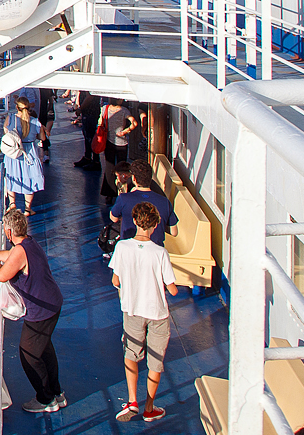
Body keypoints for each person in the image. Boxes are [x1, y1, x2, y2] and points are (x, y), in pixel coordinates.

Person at [0, 208, 65, 413]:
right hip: (51, 304)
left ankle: (46, 399)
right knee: (45, 349)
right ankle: (57, 393)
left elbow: (3, 275)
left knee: (28, 353)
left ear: (9, 232)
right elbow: (10, 256)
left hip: (41, 311)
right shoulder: (28, 243)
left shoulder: (20, 251)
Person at [110, 200, 179, 422]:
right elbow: (172, 289)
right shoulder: (160, 253)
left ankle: (132, 401)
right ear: (156, 224)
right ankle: (150, 407)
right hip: (157, 313)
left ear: (135, 221)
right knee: (155, 362)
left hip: (132, 310)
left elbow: (115, 279)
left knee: (131, 355)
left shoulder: (122, 247)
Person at [110, 162, 178, 246]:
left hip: (129, 247)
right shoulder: (165, 202)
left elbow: (113, 218)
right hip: (155, 248)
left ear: (133, 178)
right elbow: (174, 232)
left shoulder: (123, 198)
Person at [2, 97, 46, 215]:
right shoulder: (36, 122)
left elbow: (6, 133)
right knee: (29, 179)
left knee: (11, 177)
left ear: (17, 107)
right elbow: (43, 138)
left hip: (14, 153)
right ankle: (28, 209)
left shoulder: (10, 118)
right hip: (29, 153)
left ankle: (12, 204)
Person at [100, 99, 137, 203]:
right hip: (122, 143)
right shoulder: (124, 111)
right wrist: (125, 131)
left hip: (109, 142)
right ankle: (123, 192)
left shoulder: (104, 109)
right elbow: (134, 123)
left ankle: (109, 194)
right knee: (122, 169)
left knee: (109, 168)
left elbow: (100, 123)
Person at [73, 90, 102, 169]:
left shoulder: (89, 84)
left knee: (91, 137)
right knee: (87, 136)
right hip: (88, 113)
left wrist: (81, 108)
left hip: (90, 113)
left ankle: (96, 160)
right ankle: (88, 157)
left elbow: (90, 96)